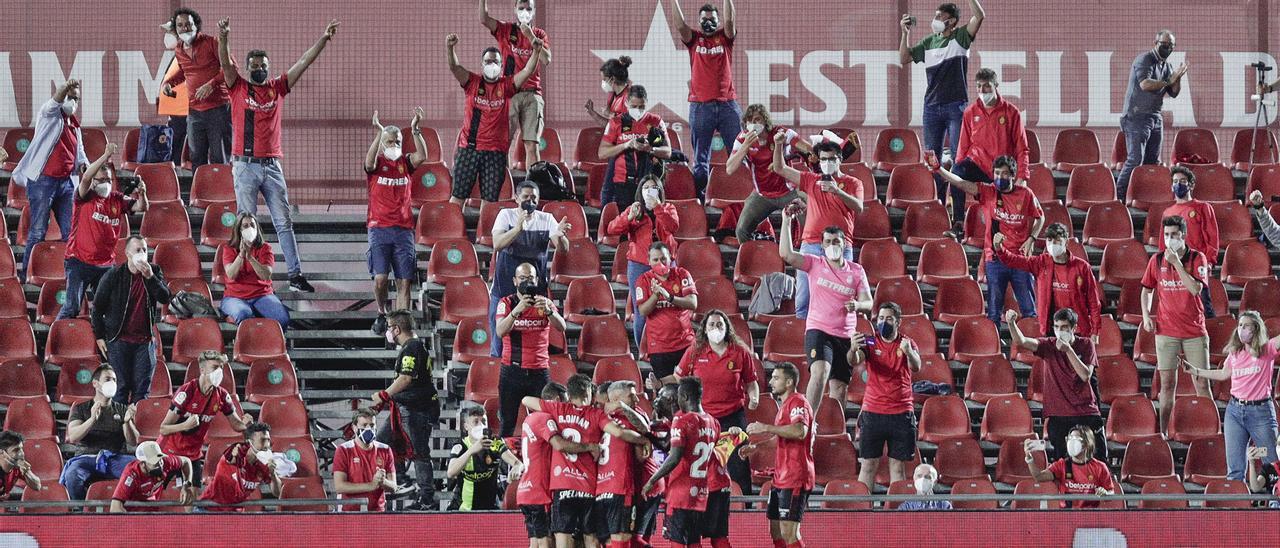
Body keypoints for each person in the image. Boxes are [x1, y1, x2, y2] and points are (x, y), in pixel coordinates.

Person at [217, 18, 339, 293]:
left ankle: (295, 275)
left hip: (272, 166)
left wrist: (323, 39)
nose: (259, 69)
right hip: (245, 166)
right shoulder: (238, 87)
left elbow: (303, 63)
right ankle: (244, 278)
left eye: (263, 66)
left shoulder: (278, 87)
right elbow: (225, 63)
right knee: (245, 222)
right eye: (255, 66)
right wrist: (223, 37)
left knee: (284, 222)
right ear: (247, 68)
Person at [522, 374, 646, 548]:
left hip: (562, 485)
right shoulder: (595, 414)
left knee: (563, 539)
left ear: (570, 394)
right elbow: (618, 432)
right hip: (588, 487)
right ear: (587, 392)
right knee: (591, 538)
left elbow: (526, 400)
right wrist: (643, 440)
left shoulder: (557, 409)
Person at [899, 1, 986, 233]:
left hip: (956, 108)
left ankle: (958, 218)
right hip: (931, 110)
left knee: (959, 163)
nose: (936, 19)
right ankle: (938, 214)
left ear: (952, 21)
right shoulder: (929, 42)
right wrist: (904, 34)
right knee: (933, 163)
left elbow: (980, 16)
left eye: (941, 16)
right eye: (936, 15)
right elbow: (904, 58)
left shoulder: (961, 38)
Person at [778, 207, 872, 417]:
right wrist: (786, 221)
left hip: (845, 335)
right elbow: (786, 254)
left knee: (839, 389)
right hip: (819, 331)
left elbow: (869, 302)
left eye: (836, 241)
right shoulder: (815, 264)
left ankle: (833, 431)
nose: (832, 245)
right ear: (821, 245)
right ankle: (807, 422)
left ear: (844, 244)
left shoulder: (856, 271)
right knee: (820, 373)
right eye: (827, 242)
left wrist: (857, 306)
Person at [935, 155, 1043, 328]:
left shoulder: (1025, 194)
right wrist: (938, 169)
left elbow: (1040, 217)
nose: (1001, 177)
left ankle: (1031, 348)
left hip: (1021, 261)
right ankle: (996, 351)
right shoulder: (988, 192)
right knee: (993, 313)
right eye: (997, 173)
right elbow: (961, 183)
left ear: (1013, 176)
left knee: (1029, 311)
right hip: (995, 260)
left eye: (1005, 174)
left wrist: (1032, 238)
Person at [771, 136, 865, 320]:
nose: (827, 163)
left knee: (841, 299)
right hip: (811, 245)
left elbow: (859, 207)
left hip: (841, 245)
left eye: (831, 159)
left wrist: (837, 191)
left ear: (840, 159)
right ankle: (805, 341)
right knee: (804, 299)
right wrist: (779, 144)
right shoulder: (810, 180)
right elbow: (779, 168)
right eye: (823, 159)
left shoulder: (853, 183)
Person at [445, 33, 544, 208]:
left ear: (501, 65)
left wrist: (536, 51)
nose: (492, 65)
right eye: (488, 61)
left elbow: (528, 71)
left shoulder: (507, 86)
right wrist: (450, 47)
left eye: (496, 62)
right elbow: (455, 67)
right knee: (457, 196)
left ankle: (485, 233)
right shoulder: (472, 82)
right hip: (469, 148)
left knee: (489, 201)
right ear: (482, 64)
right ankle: (451, 233)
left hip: (495, 153)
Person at [1185, 310, 1279, 480]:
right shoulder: (1235, 353)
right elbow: (1223, 374)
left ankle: (1272, 501)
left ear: (1256, 329)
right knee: (1235, 467)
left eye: (1246, 326)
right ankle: (1239, 503)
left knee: (1270, 461)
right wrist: (1196, 371)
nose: (1241, 329)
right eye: (1240, 325)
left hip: (1261, 413)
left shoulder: (1267, 349)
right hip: (1235, 412)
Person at [672, 310, 757, 495]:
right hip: (704, 418)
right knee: (702, 464)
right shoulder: (695, 351)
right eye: (711, 324)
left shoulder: (740, 352)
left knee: (739, 465)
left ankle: (746, 506)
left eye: (720, 324)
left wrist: (755, 397)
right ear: (705, 328)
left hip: (733, 416)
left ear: (727, 328)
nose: (715, 328)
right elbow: (679, 378)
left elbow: (751, 383)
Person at [60, 143, 148, 321]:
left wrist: (142, 194)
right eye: (101, 180)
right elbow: (85, 179)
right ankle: (55, 338)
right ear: (94, 181)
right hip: (79, 261)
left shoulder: (116, 199)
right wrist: (105, 155)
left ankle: (102, 345)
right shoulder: (84, 197)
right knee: (72, 307)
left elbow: (141, 207)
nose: (106, 184)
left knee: (109, 308)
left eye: (109, 180)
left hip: (105, 264)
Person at [1006, 309, 1106, 462]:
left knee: (1098, 459)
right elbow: (1022, 341)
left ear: (1074, 328)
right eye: (1057, 327)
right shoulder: (1049, 345)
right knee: (1062, 464)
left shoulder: (1086, 344)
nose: (1060, 331)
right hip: (1059, 414)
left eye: (1064, 327)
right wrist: (1011, 323)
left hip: (1086, 411)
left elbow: (1085, 375)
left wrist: (1068, 350)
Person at [1141, 215, 1211, 432]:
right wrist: (1145, 315)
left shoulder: (1198, 258)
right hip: (1166, 330)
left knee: (1201, 382)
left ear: (1183, 236)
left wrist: (1177, 264)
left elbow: (1196, 289)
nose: (1170, 239)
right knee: (1168, 384)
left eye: (1174, 235)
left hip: (1194, 330)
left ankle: (1211, 429)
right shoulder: (1157, 260)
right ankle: (1162, 433)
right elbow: (1146, 289)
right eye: (1167, 235)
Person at [13, 79, 88, 280]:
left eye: (77, 99)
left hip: (66, 183)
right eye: (71, 98)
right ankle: (26, 276)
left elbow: (79, 150)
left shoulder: (75, 124)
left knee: (70, 232)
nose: (73, 103)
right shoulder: (49, 115)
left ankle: (71, 276)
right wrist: (64, 89)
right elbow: (53, 103)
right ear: (63, 97)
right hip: (43, 182)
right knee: (38, 231)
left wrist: (84, 164)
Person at [365, 109, 429, 335]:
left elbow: (422, 156)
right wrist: (378, 134)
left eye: (397, 141)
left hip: (403, 230)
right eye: (389, 142)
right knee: (381, 279)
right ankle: (382, 313)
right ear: (383, 144)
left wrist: (415, 130)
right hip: (379, 228)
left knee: (404, 282)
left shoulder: (406, 162)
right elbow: (368, 161)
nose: (393, 145)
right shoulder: (377, 164)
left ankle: (400, 327)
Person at [489, 183, 571, 358]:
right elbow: (497, 244)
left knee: (533, 341)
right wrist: (518, 229)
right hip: (504, 287)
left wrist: (562, 235)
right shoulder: (506, 215)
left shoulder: (546, 218)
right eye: (526, 197)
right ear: (517, 198)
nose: (530, 201)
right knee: (499, 344)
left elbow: (563, 249)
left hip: (536, 290)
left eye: (534, 197)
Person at [370, 310, 441, 511]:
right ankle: (401, 479)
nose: (387, 332)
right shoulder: (413, 347)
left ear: (396, 328)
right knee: (383, 442)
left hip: (417, 409)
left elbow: (405, 378)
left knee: (419, 453)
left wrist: (384, 395)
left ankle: (427, 499)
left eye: (389, 328)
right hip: (406, 408)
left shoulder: (412, 348)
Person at [670, 0, 740, 198]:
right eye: (704, 20)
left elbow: (730, 20)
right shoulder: (694, 39)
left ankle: (739, 196)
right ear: (699, 22)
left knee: (739, 154)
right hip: (701, 107)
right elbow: (680, 25)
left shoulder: (725, 38)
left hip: (727, 106)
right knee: (701, 160)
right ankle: (700, 199)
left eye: (712, 19)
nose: (708, 23)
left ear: (717, 21)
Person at [850, 302, 922, 492]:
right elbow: (854, 360)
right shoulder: (870, 342)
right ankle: (861, 513)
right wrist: (853, 349)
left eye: (889, 319)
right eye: (881, 318)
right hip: (873, 413)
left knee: (897, 468)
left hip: (901, 414)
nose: (884, 322)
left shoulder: (907, 342)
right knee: (868, 466)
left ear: (898, 322)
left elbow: (917, 366)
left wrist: (909, 352)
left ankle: (898, 518)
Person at [518, 382, 601, 548]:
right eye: (564, 401)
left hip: (526, 489)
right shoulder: (545, 418)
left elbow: (525, 400)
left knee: (536, 541)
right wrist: (589, 446)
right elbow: (559, 444)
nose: (567, 406)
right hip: (539, 490)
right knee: (546, 542)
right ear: (556, 400)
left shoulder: (530, 418)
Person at [91, 236, 171, 405]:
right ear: (127, 253)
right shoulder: (113, 275)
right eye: (137, 250)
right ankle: (119, 428)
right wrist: (99, 336)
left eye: (144, 250)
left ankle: (135, 428)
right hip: (119, 340)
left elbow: (165, 298)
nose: (142, 253)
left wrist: (150, 277)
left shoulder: (154, 271)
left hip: (144, 341)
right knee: (119, 389)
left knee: (142, 391)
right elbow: (97, 308)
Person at [992, 223, 1103, 342]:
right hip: (1051, 329)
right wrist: (999, 248)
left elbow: (1093, 302)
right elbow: (1013, 261)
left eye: (1057, 241)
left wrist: (1095, 332)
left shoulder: (1082, 267)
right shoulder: (1041, 262)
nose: (1053, 244)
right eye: (1049, 240)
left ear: (1066, 242)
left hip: (1077, 329)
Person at [743, 363, 813, 548]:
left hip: (795, 475)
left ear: (789, 382)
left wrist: (765, 427)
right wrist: (756, 447)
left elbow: (800, 431)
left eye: (776, 378)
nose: (771, 382)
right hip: (781, 476)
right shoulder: (784, 405)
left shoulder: (798, 402)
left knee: (789, 533)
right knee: (775, 530)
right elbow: (781, 438)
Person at [951, 68, 1030, 231]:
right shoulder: (970, 112)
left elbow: (1022, 148)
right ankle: (958, 222)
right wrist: (956, 173)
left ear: (996, 86)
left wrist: (1022, 177)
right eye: (979, 86)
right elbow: (963, 146)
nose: (982, 90)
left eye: (986, 86)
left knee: (998, 219)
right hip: (977, 165)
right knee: (956, 171)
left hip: (1000, 172)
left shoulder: (1011, 112)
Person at [157, 351, 252, 485]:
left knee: (191, 496)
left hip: (193, 454)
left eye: (221, 368)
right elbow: (163, 428)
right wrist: (185, 426)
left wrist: (246, 424)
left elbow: (236, 424)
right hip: (170, 451)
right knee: (156, 493)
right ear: (202, 369)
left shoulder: (222, 395)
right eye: (214, 367)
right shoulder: (187, 392)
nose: (219, 372)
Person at [496, 262, 568, 437]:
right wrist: (517, 311)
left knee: (544, 420)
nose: (526, 282)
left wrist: (549, 312)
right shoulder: (506, 302)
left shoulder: (545, 303)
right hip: (512, 370)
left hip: (539, 371)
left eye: (530, 278)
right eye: (522, 278)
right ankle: (503, 463)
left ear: (536, 280)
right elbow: (499, 331)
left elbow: (562, 326)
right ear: (515, 281)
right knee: (507, 422)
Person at [725, 104, 813, 245]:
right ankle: (753, 261)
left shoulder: (780, 132)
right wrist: (746, 145)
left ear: (765, 121)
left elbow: (807, 148)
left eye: (757, 119)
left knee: (809, 225)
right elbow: (729, 169)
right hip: (762, 196)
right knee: (741, 230)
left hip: (788, 192)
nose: (754, 124)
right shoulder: (742, 139)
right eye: (750, 121)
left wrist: (799, 148)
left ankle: (804, 259)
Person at [480, 0, 552, 168]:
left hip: (533, 94)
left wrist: (530, 35)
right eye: (521, 8)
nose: (524, 12)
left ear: (534, 11)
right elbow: (484, 19)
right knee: (502, 144)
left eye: (528, 8)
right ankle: (503, 189)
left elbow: (546, 59)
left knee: (531, 145)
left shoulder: (539, 34)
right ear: (515, 9)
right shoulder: (506, 30)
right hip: (509, 94)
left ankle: (531, 187)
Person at [1116, 30, 1188, 200]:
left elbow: (1174, 92)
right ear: (1155, 43)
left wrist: (1177, 77)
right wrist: (1168, 80)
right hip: (1136, 117)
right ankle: (1119, 197)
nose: (1167, 48)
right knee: (1135, 160)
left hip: (1155, 117)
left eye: (1171, 45)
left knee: (1152, 161)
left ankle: (1144, 195)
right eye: (1164, 44)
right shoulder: (1144, 60)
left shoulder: (1167, 66)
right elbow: (1145, 84)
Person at [608, 179, 680, 344]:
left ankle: (667, 345)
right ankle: (643, 350)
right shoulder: (634, 209)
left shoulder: (668, 208)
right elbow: (612, 229)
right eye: (645, 188)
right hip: (639, 265)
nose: (649, 191)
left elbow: (673, 227)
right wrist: (629, 217)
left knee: (668, 307)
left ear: (659, 190)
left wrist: (657, 207)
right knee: (641, 309)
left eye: (653, 188)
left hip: (666, 264)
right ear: (640, 191)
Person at [162, 8, 231, 169]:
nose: (185, 28)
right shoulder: (179, 49)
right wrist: (168, 84)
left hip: (218, 110)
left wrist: (211, 84)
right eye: (180, 25)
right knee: (196, 159)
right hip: (194, 113)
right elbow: (183, 72)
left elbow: (231, 68)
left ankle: (221, 194)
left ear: (196, 25)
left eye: (188, 24)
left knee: (219, 158)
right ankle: (199, 194)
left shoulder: (212, 42)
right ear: (176, 29)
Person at [60, 365, 140, 500]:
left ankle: (124, 507)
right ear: (95, 384)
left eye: (114, 380)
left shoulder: (122, 409)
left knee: (137, 468)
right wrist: (92, 420)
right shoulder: (81, 408)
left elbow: (133, 441)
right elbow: (73, 437)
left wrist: (127, 422)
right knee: (72, 474)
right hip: (87, 458)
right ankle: (80, 511)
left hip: (114, 458)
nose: (112, 383)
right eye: (108, 379)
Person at [593, 381, 653, 548]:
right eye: (631, 396)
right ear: (617, 398)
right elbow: (641, 456)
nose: (636, 399)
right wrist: (643, 440)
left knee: (607, 541)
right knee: (621, 540)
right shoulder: (629, 421)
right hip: (621, 488)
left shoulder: (598, 419)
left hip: (600, 490)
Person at [598, 87, 672, 209]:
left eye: (641, 107)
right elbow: (602, 153)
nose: (637, 110)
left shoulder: (656, 121)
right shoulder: (616, 122)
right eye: (634, 106)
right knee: (626, 219)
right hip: (623, 181)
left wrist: (650, 149)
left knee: (651, 214)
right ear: (626, 103)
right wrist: (626, 145)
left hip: (650, 183)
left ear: (647, 103)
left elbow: (668, 152)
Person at [1159, 166, 1218, 316]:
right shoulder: (1167, 212)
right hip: (1175, 268)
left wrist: (1209, 261)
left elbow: (1212, 237)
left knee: (1203, 309)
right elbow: (1163, 242)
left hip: (1196, 265)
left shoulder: (1203, 207)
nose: (1179, 184)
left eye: (1183, 181)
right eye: (1175, 181)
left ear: (1191, 184)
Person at [219, 212, 290, 330]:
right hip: (234, 297)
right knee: (244, 314)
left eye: (252, 225)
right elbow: (231, 274)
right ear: (239, 230)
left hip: (262, 295)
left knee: (282, 319)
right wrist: (241, 254)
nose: (250, 228)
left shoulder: (265, 248)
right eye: (245, 226)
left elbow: (266, 275)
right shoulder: (229, 249)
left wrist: (250, 257)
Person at [447, 405, 525, 511]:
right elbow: (451, 473)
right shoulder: (460, 446)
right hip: (463, 509)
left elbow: (518, 464)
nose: (481, 425)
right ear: (466, 427)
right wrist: (472, 450)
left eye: (483, 421)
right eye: (476, 422)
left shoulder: (495, 443)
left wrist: (517, 467)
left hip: (489, 509)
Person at [636, 242, 696, 377]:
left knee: (689, 388)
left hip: (685, 343)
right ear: (649, 261)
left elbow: (693, 303)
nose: (660, 263)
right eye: (655, 260)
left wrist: (670, 297)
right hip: (659, 347)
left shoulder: (682, 274)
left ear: (670, 258)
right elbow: (643, 311)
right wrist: (656, 295)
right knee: (665, 392)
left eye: (663, 259)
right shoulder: (643, 280)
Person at [198, 422, 282, 512]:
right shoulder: (237, 450)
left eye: (268, 440)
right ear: (250, 442)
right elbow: (231, 458)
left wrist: (273, 474)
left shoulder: (263, 465)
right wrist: (235, 456)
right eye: (262, 440)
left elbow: (277, 493)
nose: (266, 445)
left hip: (233, 513)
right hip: (208, 508)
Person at [1024, 426, 1115, 508]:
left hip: (1090, 516)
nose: (1071, 442)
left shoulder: (1100, 467)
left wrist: (1105, 494)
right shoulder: (1061, 465)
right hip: (1066, 515)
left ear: (1087, 443)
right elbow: (1038, 477)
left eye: (1076, 439)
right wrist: (1029, 459)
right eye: (1070, 438)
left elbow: (1111, 494)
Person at [333, 408, 397, 512]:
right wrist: (371, 485)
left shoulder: (385, 449)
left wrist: (382, 481)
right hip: (349, 512)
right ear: (354, 428)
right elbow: (339, 486)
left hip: (377, 512)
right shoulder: (344, 450)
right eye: (364, 425)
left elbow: (394, 486)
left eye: (372, 425)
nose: (368, 429)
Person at [110, 441, 195, 513]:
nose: (160, 465)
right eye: (155, 462)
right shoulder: (131, 474)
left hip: (153, 513)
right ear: (142, 464)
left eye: (160, 459)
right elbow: (115, 507)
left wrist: (186, 485)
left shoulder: (165, 462)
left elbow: (186, 461)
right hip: (134, 514)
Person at [585, 57, 633, 126]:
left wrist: (611, 114)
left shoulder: (630, 97)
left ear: (612, 79)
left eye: (604, 80)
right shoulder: (611, 96)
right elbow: (610, 126)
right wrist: (593, 113)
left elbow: (629, 127)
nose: (603, 83)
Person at [0, 431, 42, 499]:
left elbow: (37, 486)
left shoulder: (17, 467)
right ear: (2, 452)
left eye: (21, 449)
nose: (21, 454)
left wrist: (27, 472)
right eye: (16, 450)